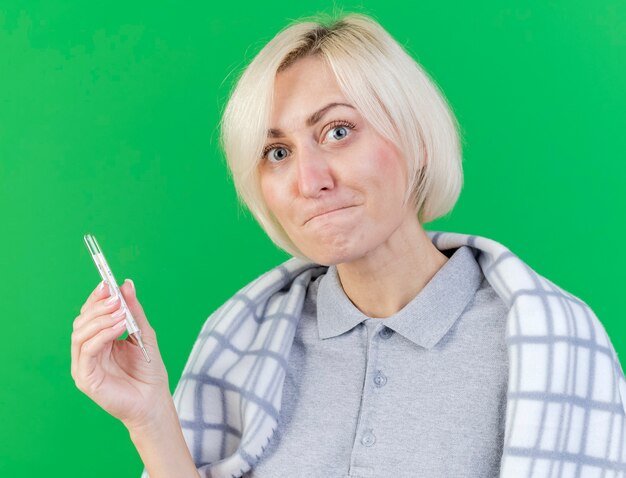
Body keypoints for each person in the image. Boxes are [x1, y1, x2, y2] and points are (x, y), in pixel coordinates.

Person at [71, 12, 626, 478]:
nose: (309, 179)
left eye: (337, 131)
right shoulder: (242, 345)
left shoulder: (543, 344)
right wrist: (149, 418)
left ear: (416, 140)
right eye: (278, 153)